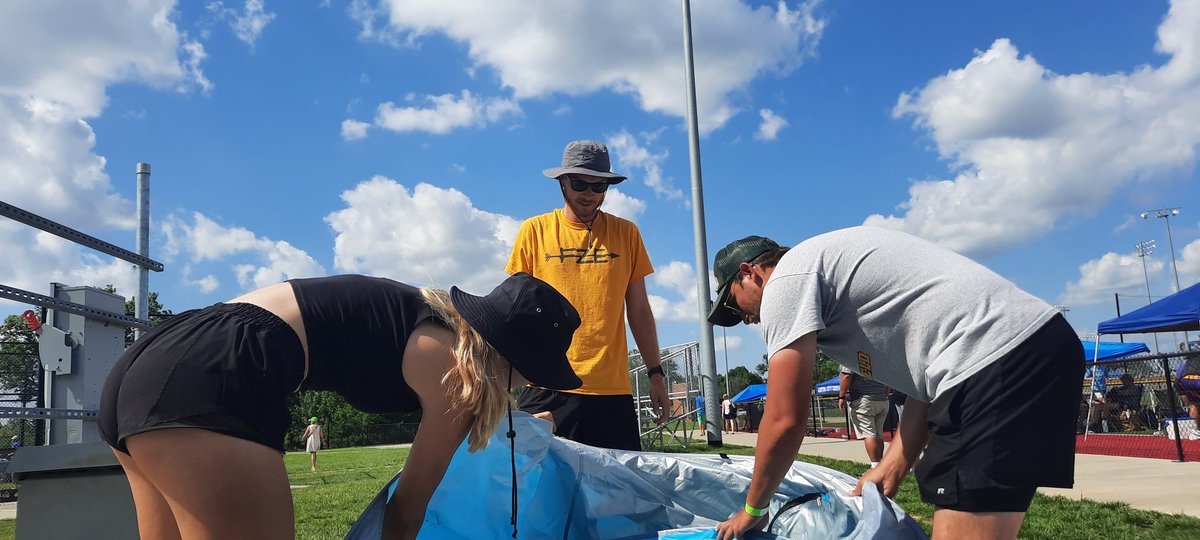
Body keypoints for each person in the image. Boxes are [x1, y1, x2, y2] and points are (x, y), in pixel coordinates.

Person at [99, 273, 581, 540]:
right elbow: (407, 508)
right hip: (217, 371)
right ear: (510, 357)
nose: (524, 385)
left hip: (151, 361)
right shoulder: (454, 368)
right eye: (531, 372)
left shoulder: (426, 321)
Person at [707, 228, 1083, 540]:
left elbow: (785, 417)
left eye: (735, 304)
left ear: (749, 272)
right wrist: (894, 463)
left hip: (992, 357)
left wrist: (753, 509)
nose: (745, 318)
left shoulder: (786, 281)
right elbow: (923, 383)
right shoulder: (823, 269)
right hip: (1037, 345)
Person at [506, 139, 670, 451]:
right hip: (545, 385)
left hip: (611, 391)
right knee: (539, 492)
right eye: (580, 183)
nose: (589, 194)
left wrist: (656, 373)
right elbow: (515, 310)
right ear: (562, 182)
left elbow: (639, 311)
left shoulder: (627, 233)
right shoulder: (534, 231)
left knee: (617, 494)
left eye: (600, 187)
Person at [837, 367, 889, 469]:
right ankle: (880, 466)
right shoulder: (878, 355)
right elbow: (888, 378)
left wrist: (841, 397)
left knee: (868, 434)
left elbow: (846, 376)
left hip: (864, 400)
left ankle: (875, 467)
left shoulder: (852, 353)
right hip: (882, 399)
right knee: (878, 435)